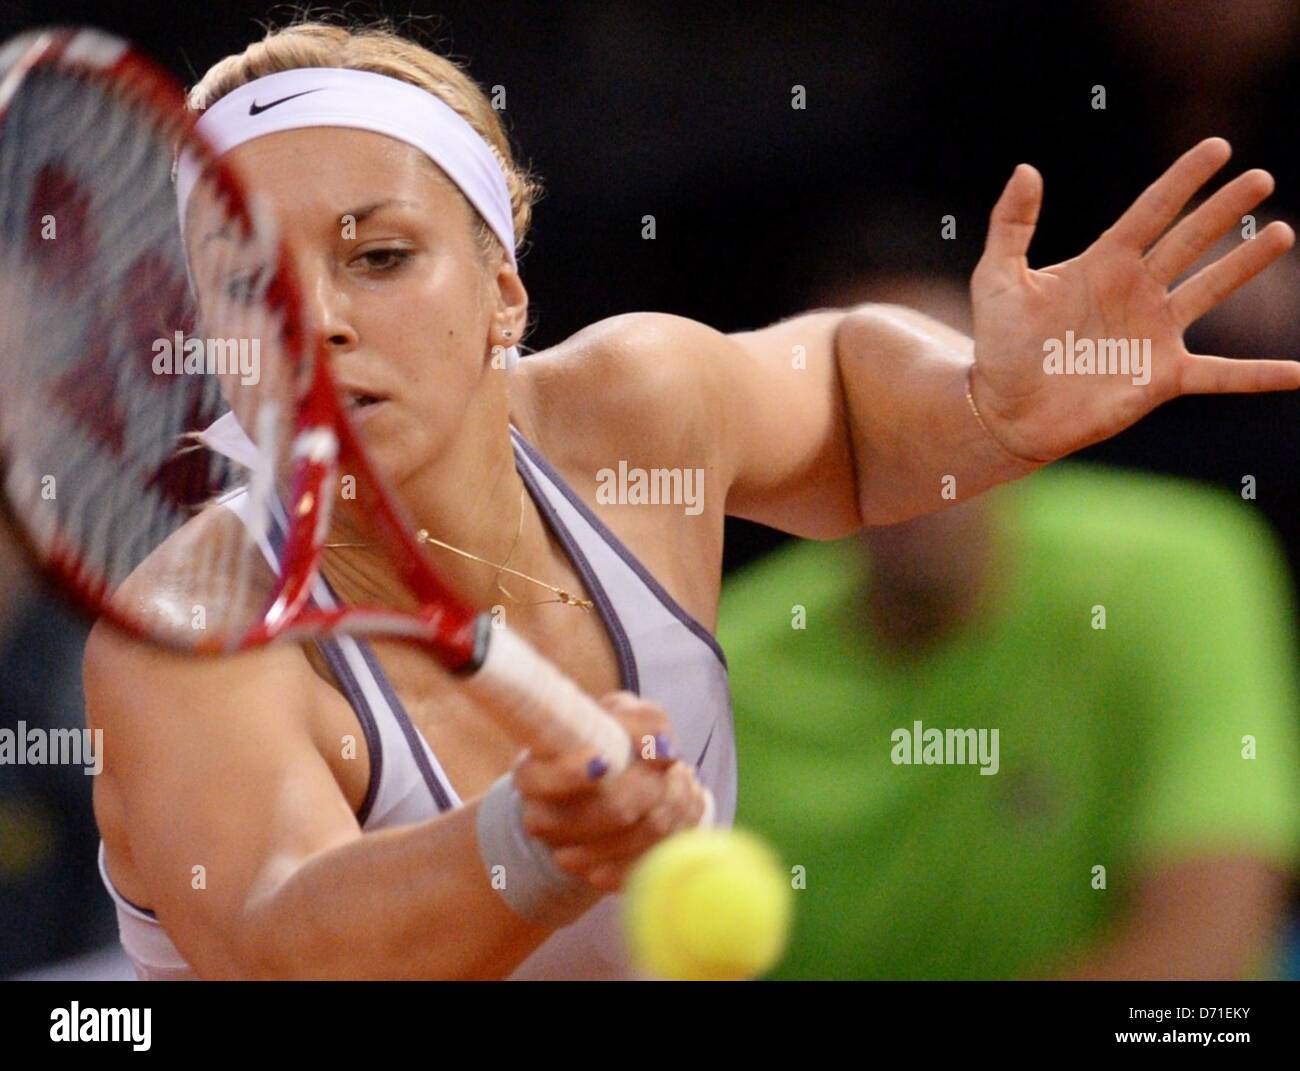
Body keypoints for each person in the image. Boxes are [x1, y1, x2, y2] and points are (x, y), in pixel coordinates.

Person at [85, 17, 1300, 980]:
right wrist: (530, 846)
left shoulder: (634, 412)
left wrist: (978, 405)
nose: (318, 319)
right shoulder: (184, 636)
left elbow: (839, 393)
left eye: (379, 255)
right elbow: (276, 940)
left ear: (505, 293)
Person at [719, 466, 1300, 979]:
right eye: (862, 424)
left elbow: (1200, 965)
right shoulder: (723, 664)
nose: (910, 467)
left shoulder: (1180, 568)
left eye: (940, 411)